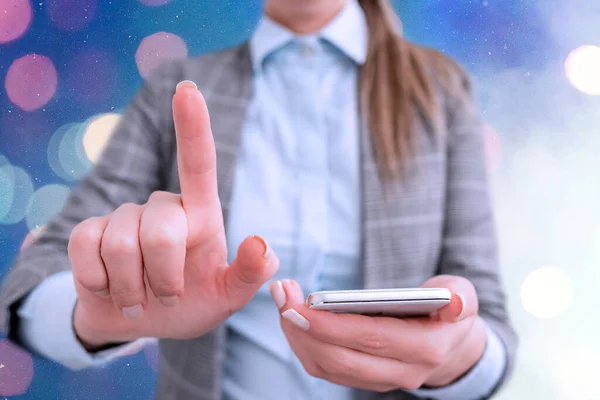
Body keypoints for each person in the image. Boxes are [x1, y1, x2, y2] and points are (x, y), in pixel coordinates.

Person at [0, 0, 517, 399]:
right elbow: (27, 287)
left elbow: (489, 327)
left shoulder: (442, 91)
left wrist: (457, 359)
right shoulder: (174, 88)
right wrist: (92, 317)